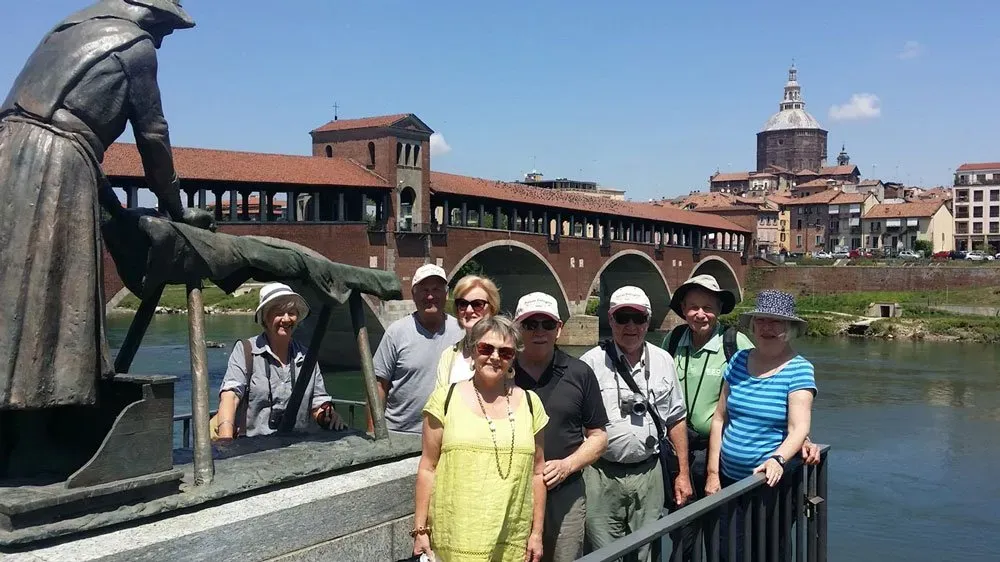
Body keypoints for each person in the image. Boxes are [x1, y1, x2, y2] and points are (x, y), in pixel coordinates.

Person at [0, 0, 213, 411]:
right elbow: (152, 134)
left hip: (7, 151)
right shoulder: (136, 46)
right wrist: (176, 207)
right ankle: (45, 416)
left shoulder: (66, 28)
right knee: (52, 281)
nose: (163, 43)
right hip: (58, 161)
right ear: (154, 14)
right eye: (167, 31)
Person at [413, 315, 548, 562]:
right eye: (486, 348)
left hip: (510, 543)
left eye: (505, 352)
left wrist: (536, 534)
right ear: (474, 351)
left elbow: (537, 474)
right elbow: (427, 468)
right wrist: (420, 530)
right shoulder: (444, 399)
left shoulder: (531, 404)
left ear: (513, 359)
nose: (495, 357)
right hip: (454, 541)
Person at [580, 286, 692, 562]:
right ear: (610, 319)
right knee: (603, 552)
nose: (630, 326)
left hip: (649, 473)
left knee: (646, 551)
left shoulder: (664, 360)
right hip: (600, 475)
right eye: (623, 318)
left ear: (648, 321)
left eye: (638, 318)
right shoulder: (589, 364)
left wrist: (683, 474)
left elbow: (676, 418)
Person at [705, 290, 817, 559]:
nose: (767, 327)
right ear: (753, 325)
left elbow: (799, 427)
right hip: (730, 482)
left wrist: (777, 459)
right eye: (762, 320)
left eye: (776, 322)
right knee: (726, 551)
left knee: (766, 552)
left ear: (789, 328)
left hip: (770, 486)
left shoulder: (799, 369)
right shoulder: (739, 360)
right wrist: (712, 473)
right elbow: (720, 418)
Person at [512, 292, 608, 562]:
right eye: (531, 324)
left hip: (565, 494)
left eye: (547, 324)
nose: (539, 331)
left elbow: (598, 437)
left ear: (559, 328)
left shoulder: (579, 372)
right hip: (513, 492)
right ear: (518, 328)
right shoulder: (502, 371)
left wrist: (567, 466)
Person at [215, 283, 345, 438]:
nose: (286, 319)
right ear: (265, 317)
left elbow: (318, 403)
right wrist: (226, 441)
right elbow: (231, 396)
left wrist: (328, 416)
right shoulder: (245, 351)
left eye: (291, 313)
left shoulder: (307, 357)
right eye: (279, 313)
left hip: (296, 450)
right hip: (252, 450)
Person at [374, 264, 463, 433]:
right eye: (424, 290)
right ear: (414, 294)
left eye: (436, 289)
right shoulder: (396, 332)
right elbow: (377, 387)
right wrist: (374, 434)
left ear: (446, 293)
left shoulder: (461, 332)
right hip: (400, 434)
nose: (430, 296)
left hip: (447, 434)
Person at [434, 274, 501, 388]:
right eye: (463, 304)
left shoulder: (506, 351)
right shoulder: (449, 355)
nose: (469, 310)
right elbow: (438, 400)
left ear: (492, 307)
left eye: (477, 304)